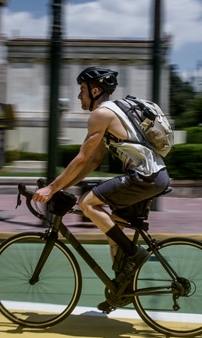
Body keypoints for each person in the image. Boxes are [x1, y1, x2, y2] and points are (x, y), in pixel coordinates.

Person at [33, 66, 171, 295]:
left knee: (87, 203)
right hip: (153, 176)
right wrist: (60, 188)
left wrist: (51, 188)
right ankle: (121, 287)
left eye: (82, 90)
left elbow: (81, 158)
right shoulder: (112, 113)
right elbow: (93, 161)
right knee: (112, 224)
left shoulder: (102, 114)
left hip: (145, 177)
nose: (79, 96)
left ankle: (133, 252)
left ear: (95, 90)